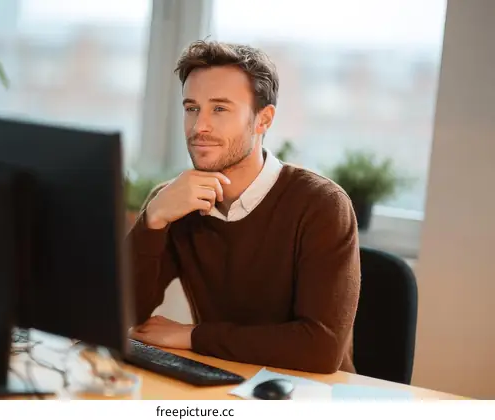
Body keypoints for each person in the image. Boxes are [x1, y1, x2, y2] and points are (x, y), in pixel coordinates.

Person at [127, 40, 361, 374]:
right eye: (192, 108)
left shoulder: (321, 205)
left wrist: (193, 336)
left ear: (263, 119)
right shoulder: (174, 200)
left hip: (308, 395)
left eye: (219, 109)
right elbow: (118, 314)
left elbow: (319, 349)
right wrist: (153, 221)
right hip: (218, 381)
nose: (199, 127)